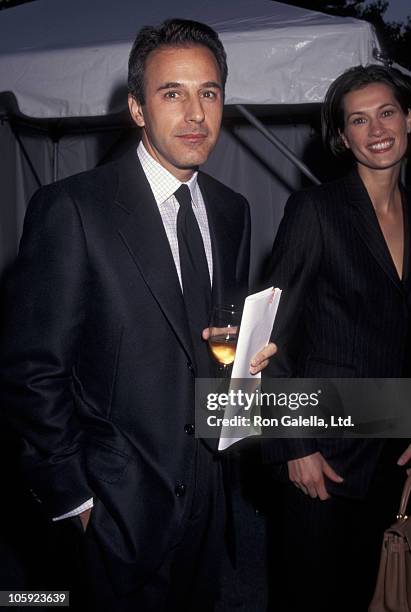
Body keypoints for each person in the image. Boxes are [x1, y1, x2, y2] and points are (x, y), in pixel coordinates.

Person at [0, 19, 276, 612]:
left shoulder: (233, 211)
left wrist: (246, 369)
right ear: (136, 109)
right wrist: (76, 501)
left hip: (208, 491)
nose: (196, 113)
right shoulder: (71, 208)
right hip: (114, 505)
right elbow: (30, 372)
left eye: (209, 92)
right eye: (172, 93)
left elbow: (205, 343)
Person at [264, 64, 411, 611]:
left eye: (387, 113)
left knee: (377, 593)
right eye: (359, 121)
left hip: (393, 454)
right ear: (343, 138)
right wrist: (297, 446)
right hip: (323, 454)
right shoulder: (315, 211)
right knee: (311, 595)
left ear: (410, 120)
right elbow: (269, 341)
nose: (377, 129)